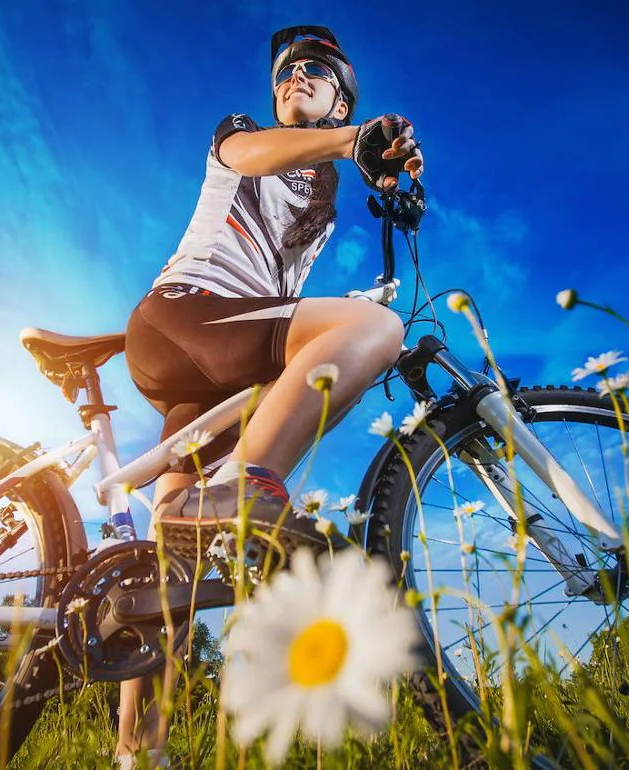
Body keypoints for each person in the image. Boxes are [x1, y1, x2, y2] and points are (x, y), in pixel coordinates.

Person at [115, 25, 423, 768]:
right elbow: (249, 159)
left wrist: (390, 180)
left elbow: (281, 289)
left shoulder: (323, 184)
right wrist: (354, 139)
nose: (296, 77)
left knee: (173, 572)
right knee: (376, 328)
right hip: (188, 317)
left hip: (223, 363)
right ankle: (248, 485)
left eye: (315, 71)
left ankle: (134, 752)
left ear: (341, 93)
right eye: (287, 71)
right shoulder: (245, 134)